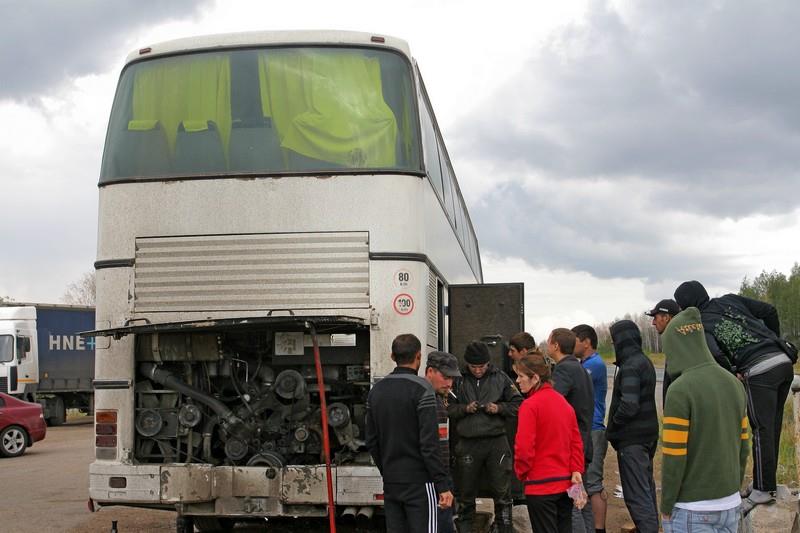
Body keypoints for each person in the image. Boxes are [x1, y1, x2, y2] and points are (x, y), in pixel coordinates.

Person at [674, 280, 797, 512]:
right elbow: (769, 311)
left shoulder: (701, 323)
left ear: (687, 305)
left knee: (761, 428)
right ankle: (766, 482)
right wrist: (773, 340)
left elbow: (717, 354)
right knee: (772, 426)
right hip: (783, 362)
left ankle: (762, 490)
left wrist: (733, 372)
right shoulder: (730, 299)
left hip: (759, 370)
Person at [660, 307, 749, 533]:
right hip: (730, 504)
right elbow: (743, 446)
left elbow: (674, 456)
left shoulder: (680, 390)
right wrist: (732, 489)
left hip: (692, 509)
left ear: (676, 347)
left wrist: (667, 503)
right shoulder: (734, 384)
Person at [365, 334, 453, 533]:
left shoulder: (376, 391)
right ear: (419, 356)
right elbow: (430, 444)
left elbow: (371, 440)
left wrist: (387, 469)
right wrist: (442, 485)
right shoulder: (423, 390)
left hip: (391, 480)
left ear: (392, 356)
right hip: (421, 483)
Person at [448, 341, 523, 533]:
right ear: (467, 365)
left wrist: (499, 408)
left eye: (482, 366)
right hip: (467, 443)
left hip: (496, 442)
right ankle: (465, 528)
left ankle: (504, 528)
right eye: (474, 367)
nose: (478, 371)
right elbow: (446, 407)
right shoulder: (457, 380)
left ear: (488, 363)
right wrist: (464, 409)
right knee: (465, 493)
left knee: (502, 493)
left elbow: (519, 404)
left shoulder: (501, 378)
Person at [514, 352, 584, 533]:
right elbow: (576, 442)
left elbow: (523, 448)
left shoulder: (529, 406)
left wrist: (522, 473)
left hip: (540, 485)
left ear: (535, 377)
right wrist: (576, 469)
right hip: (564, 484)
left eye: (521, 376)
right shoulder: (564, 404)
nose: (517, 380)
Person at [607, 320, 659, 533]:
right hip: (647, 437)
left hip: (633, 441)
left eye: (614, 340)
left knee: (636, 495)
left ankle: (648, 528)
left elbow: (629, 405)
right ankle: (650, 527)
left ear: (621, 340)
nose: (613, 344)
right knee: (646, 490)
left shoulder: (629, 366)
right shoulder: (644, 361)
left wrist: (614, 427)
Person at [548, 328, 595, 533]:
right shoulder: (580, 368)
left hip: (571, 449)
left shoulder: (564, 370)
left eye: (549, 341)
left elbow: (554, 403)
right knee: (581, 501)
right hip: (583, 444)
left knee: (572, 505)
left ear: (556, 345)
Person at [572, 324, 608, 533]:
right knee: (579, 480)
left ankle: (598, 528)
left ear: (586, 342)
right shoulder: (584, 364)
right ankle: (584, 525)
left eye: (574, 340)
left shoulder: (594, 365)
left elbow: (574, 382)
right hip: (583, 430)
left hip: (593, 429)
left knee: (593, 483)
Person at [424, 351, 462, 533]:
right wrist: (443, 484)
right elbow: (437, 448)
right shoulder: (430, 401)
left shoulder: (435, 398)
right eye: (445, 377)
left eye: (452, 378)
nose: (449, 383)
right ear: (429, 371)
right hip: (435, 481)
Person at [645, 299, 680, 402]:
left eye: (655, 318)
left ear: (666, 318)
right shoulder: (673, 342)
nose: (653, 323)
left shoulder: (680, 344)